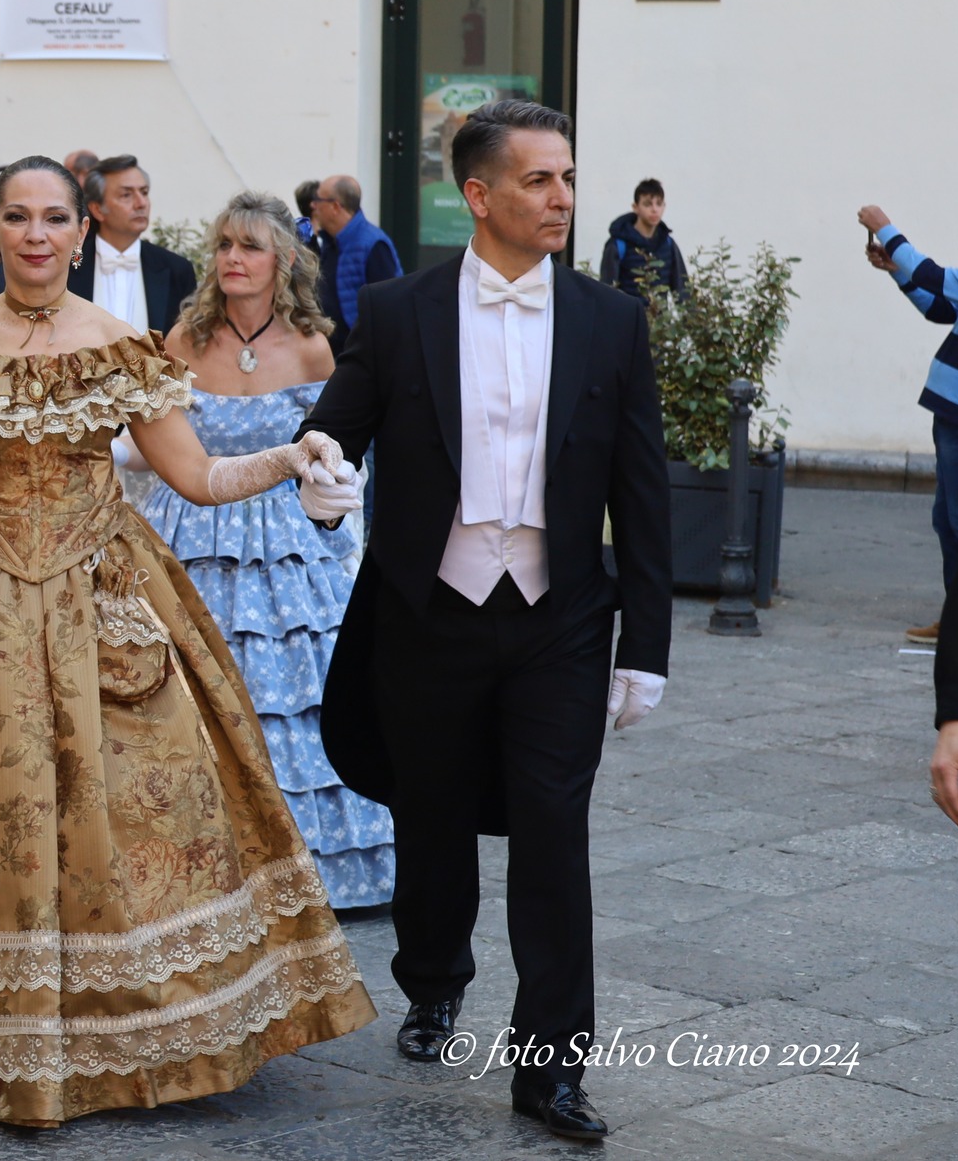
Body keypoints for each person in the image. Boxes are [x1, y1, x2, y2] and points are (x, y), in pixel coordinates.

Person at [0, 155, 376, 1125]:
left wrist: (288, 457)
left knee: (145, 803)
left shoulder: (123, 343)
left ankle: (136, 1027)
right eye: (18, 217)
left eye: (55, 217)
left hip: (106, 591)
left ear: (81, 231)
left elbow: (195, 477)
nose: (38, 234)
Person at [291, 100, 671, 1142]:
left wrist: (645, 646)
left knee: (553, 832)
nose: (560, 197)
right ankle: (430, 976)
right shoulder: (401, 309)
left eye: (564, 178)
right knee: (431, 813)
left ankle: (550, 1067)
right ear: (478, 195)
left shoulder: (609, 319)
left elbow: (640, 490)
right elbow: (335, 431)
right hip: (429, 609)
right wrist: (318, 472)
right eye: (538, 180)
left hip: (559, 616)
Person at [136, 192, 392, 908]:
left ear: (282, 261)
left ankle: (313, 869)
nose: (232, 259)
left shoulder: (313, 345)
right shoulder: (182, 339)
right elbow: (160, 444)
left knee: (299, 695)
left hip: (286, 543)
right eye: (223, 245)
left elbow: (339, 447)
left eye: (248, 246)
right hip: (193, 527)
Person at [861, 204, 958, 646]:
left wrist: (885, 228)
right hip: (955, 415)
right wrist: (896, 271)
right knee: (948, 521)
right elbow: (939, 308)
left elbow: (935, 276)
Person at [70, 154, 197, 332]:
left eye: (144, 192)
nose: (141, 203)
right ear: (97, 209)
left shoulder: (177, 270)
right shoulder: (68, 266)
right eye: (126, 195)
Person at [310, 174, 399, 354]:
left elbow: (389, 309)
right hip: (331, 351)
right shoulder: (329, 241)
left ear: (335, 206)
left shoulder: (374, 244)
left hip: (359, 354)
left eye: (318, 199)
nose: (313, 205)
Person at [600, 179, 687, 301]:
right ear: (636, 207)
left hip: (659, 318)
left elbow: (682, 289)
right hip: (628, 317)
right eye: (647, 204)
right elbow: (607, 290)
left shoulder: (668, 244)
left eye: (659, 203)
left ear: (664, 206)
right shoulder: (618, 245)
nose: (654, 209)